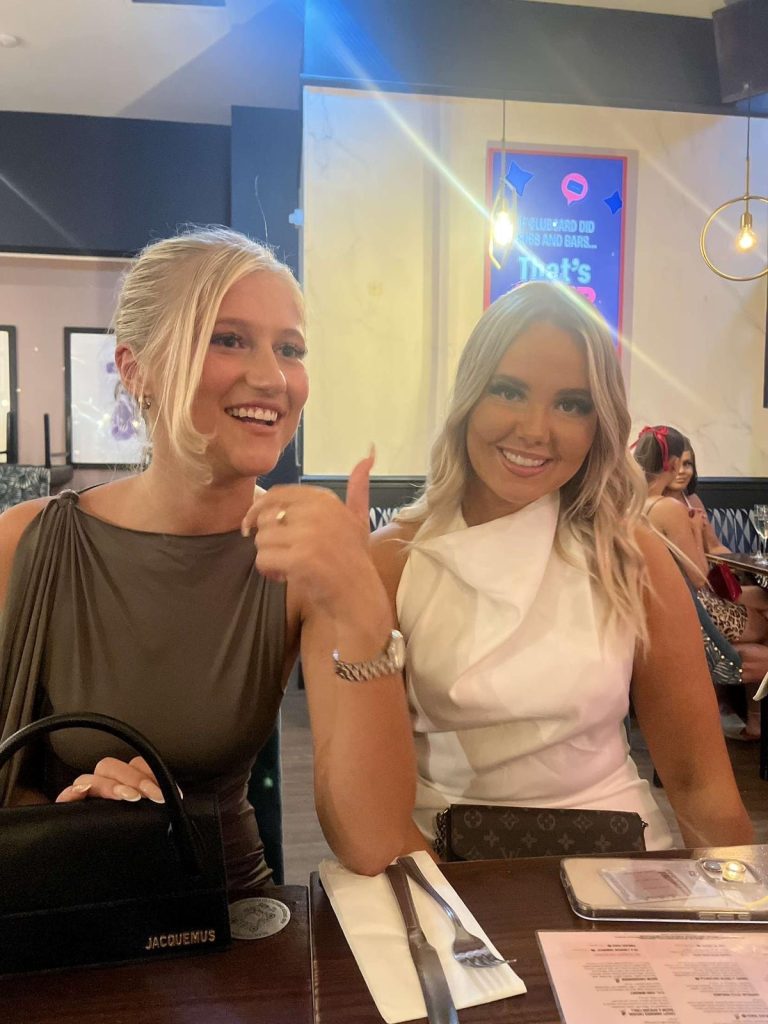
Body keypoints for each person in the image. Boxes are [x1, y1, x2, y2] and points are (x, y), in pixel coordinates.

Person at [0, 226, 416, 890]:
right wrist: (69, 814)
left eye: (289, 349)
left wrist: (363, 606)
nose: (272, 378)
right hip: (63, 914)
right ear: (137, 370)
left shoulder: (298, 561)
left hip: (234, 921)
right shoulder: (27, 543)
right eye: (229, 339)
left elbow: (370, 843)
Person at [371, 282, 753, 854]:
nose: (535, 429)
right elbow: (369, 799)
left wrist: (743, 902)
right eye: (508, 391)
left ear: (600, 424)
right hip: (446, 860)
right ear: (469, 397)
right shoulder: (393, 561)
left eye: (571, 404)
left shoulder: (632, 554)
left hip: (619, 860)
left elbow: (700, 783)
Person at [633, 424, 766, 741]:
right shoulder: (669, 507)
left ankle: (742, 717)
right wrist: (694, 529)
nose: (683, 469)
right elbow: (698, 575)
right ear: (671, 463)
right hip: (692, 608)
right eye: (680, 461)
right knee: (764, 620)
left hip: (663, 607)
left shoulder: (636, 504)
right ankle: (736, 711)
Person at [663, 440, 729, 556]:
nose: (681, 471)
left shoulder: (693, 500)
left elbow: (714, 547)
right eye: (674, 465)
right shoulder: (652, 503)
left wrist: (740, 565)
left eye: (687, 464)